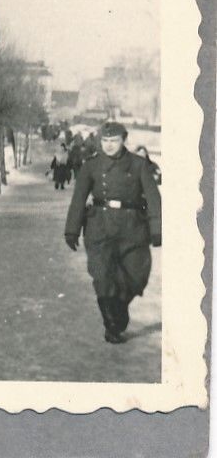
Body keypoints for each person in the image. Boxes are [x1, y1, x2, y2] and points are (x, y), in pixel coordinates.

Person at [64, 121, 162, 344]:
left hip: (133, 228)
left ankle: (119, 306)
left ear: (124, 140)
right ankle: (112, 325)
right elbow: (78, 198)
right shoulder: (91, 165)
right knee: (102, 274)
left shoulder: (139, 165)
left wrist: (157, 228)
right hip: (100, 226)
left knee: (137, 275)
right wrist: (72, 230)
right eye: (105, 141)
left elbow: (154, 198)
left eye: (114, 141)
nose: (108, 145)